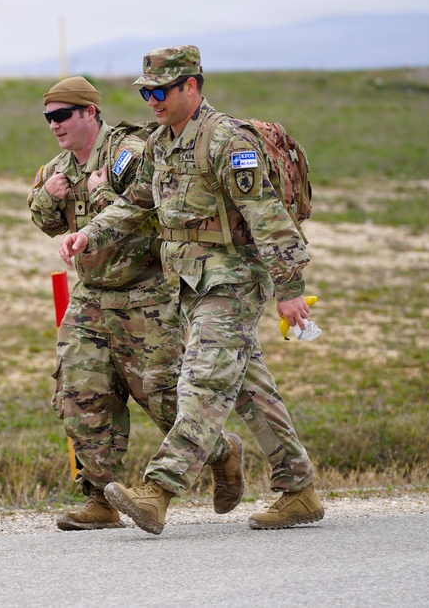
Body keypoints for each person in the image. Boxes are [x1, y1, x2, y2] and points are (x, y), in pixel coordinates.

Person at [60, 46, 324, 535]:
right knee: (249, 389)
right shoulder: (161, 144)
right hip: (187, 284)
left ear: (191, 87)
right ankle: (300, 488)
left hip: (233, 281)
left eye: (161, 90)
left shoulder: (226, 140)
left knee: (200, 383)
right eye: (146, 92)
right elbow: (136, 203)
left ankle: (157, 492)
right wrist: (89, 234)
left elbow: (269, 219)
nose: (152, 100)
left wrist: (289, 288)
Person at [30, 77, 242, 531]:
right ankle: (99, 499)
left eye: (63, 115)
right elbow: (43, 221)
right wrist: (50, 197)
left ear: (90, 112)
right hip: (90, 295)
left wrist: (102, 191)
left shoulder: (130, 151)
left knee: (162, 395)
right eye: (48, 118)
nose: (54, 126)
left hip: (144, 292)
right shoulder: (57, 168)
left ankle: (222, 451)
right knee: (80, 392)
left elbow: (151, 204)